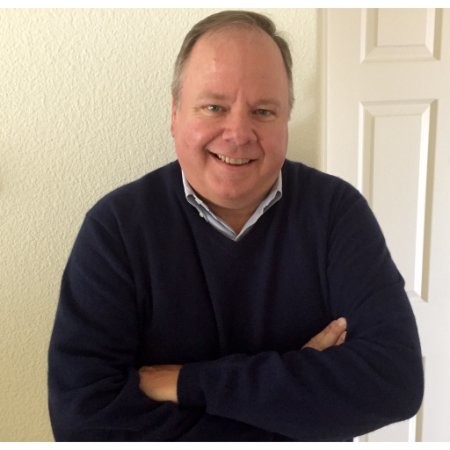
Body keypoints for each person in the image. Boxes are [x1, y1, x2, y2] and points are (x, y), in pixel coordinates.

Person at [48, 10, 424, 441]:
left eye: (263, 111)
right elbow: (81, 423)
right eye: (214, 107)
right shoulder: (115, 230)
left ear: (286, 119)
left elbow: (395, 382)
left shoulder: (337, 213)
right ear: (174, 114)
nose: (238, 132)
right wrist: (294, 403)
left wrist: (187, 383)